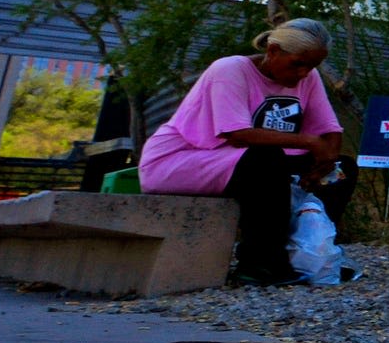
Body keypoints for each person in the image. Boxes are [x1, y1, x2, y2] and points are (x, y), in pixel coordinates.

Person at [139, 24, 344, 286]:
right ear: (273, 50)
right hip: (181, 159)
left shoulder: (308, 77)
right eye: (297, 64)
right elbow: (237, 135)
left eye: (311, 66)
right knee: (265, 161)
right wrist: (309, 141)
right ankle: (258, 265)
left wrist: (326, 161)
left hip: (244, 159)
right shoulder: (230, 69)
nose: (303, 73)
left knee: (340, 171)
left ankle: (315, 255)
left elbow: (330, 129)